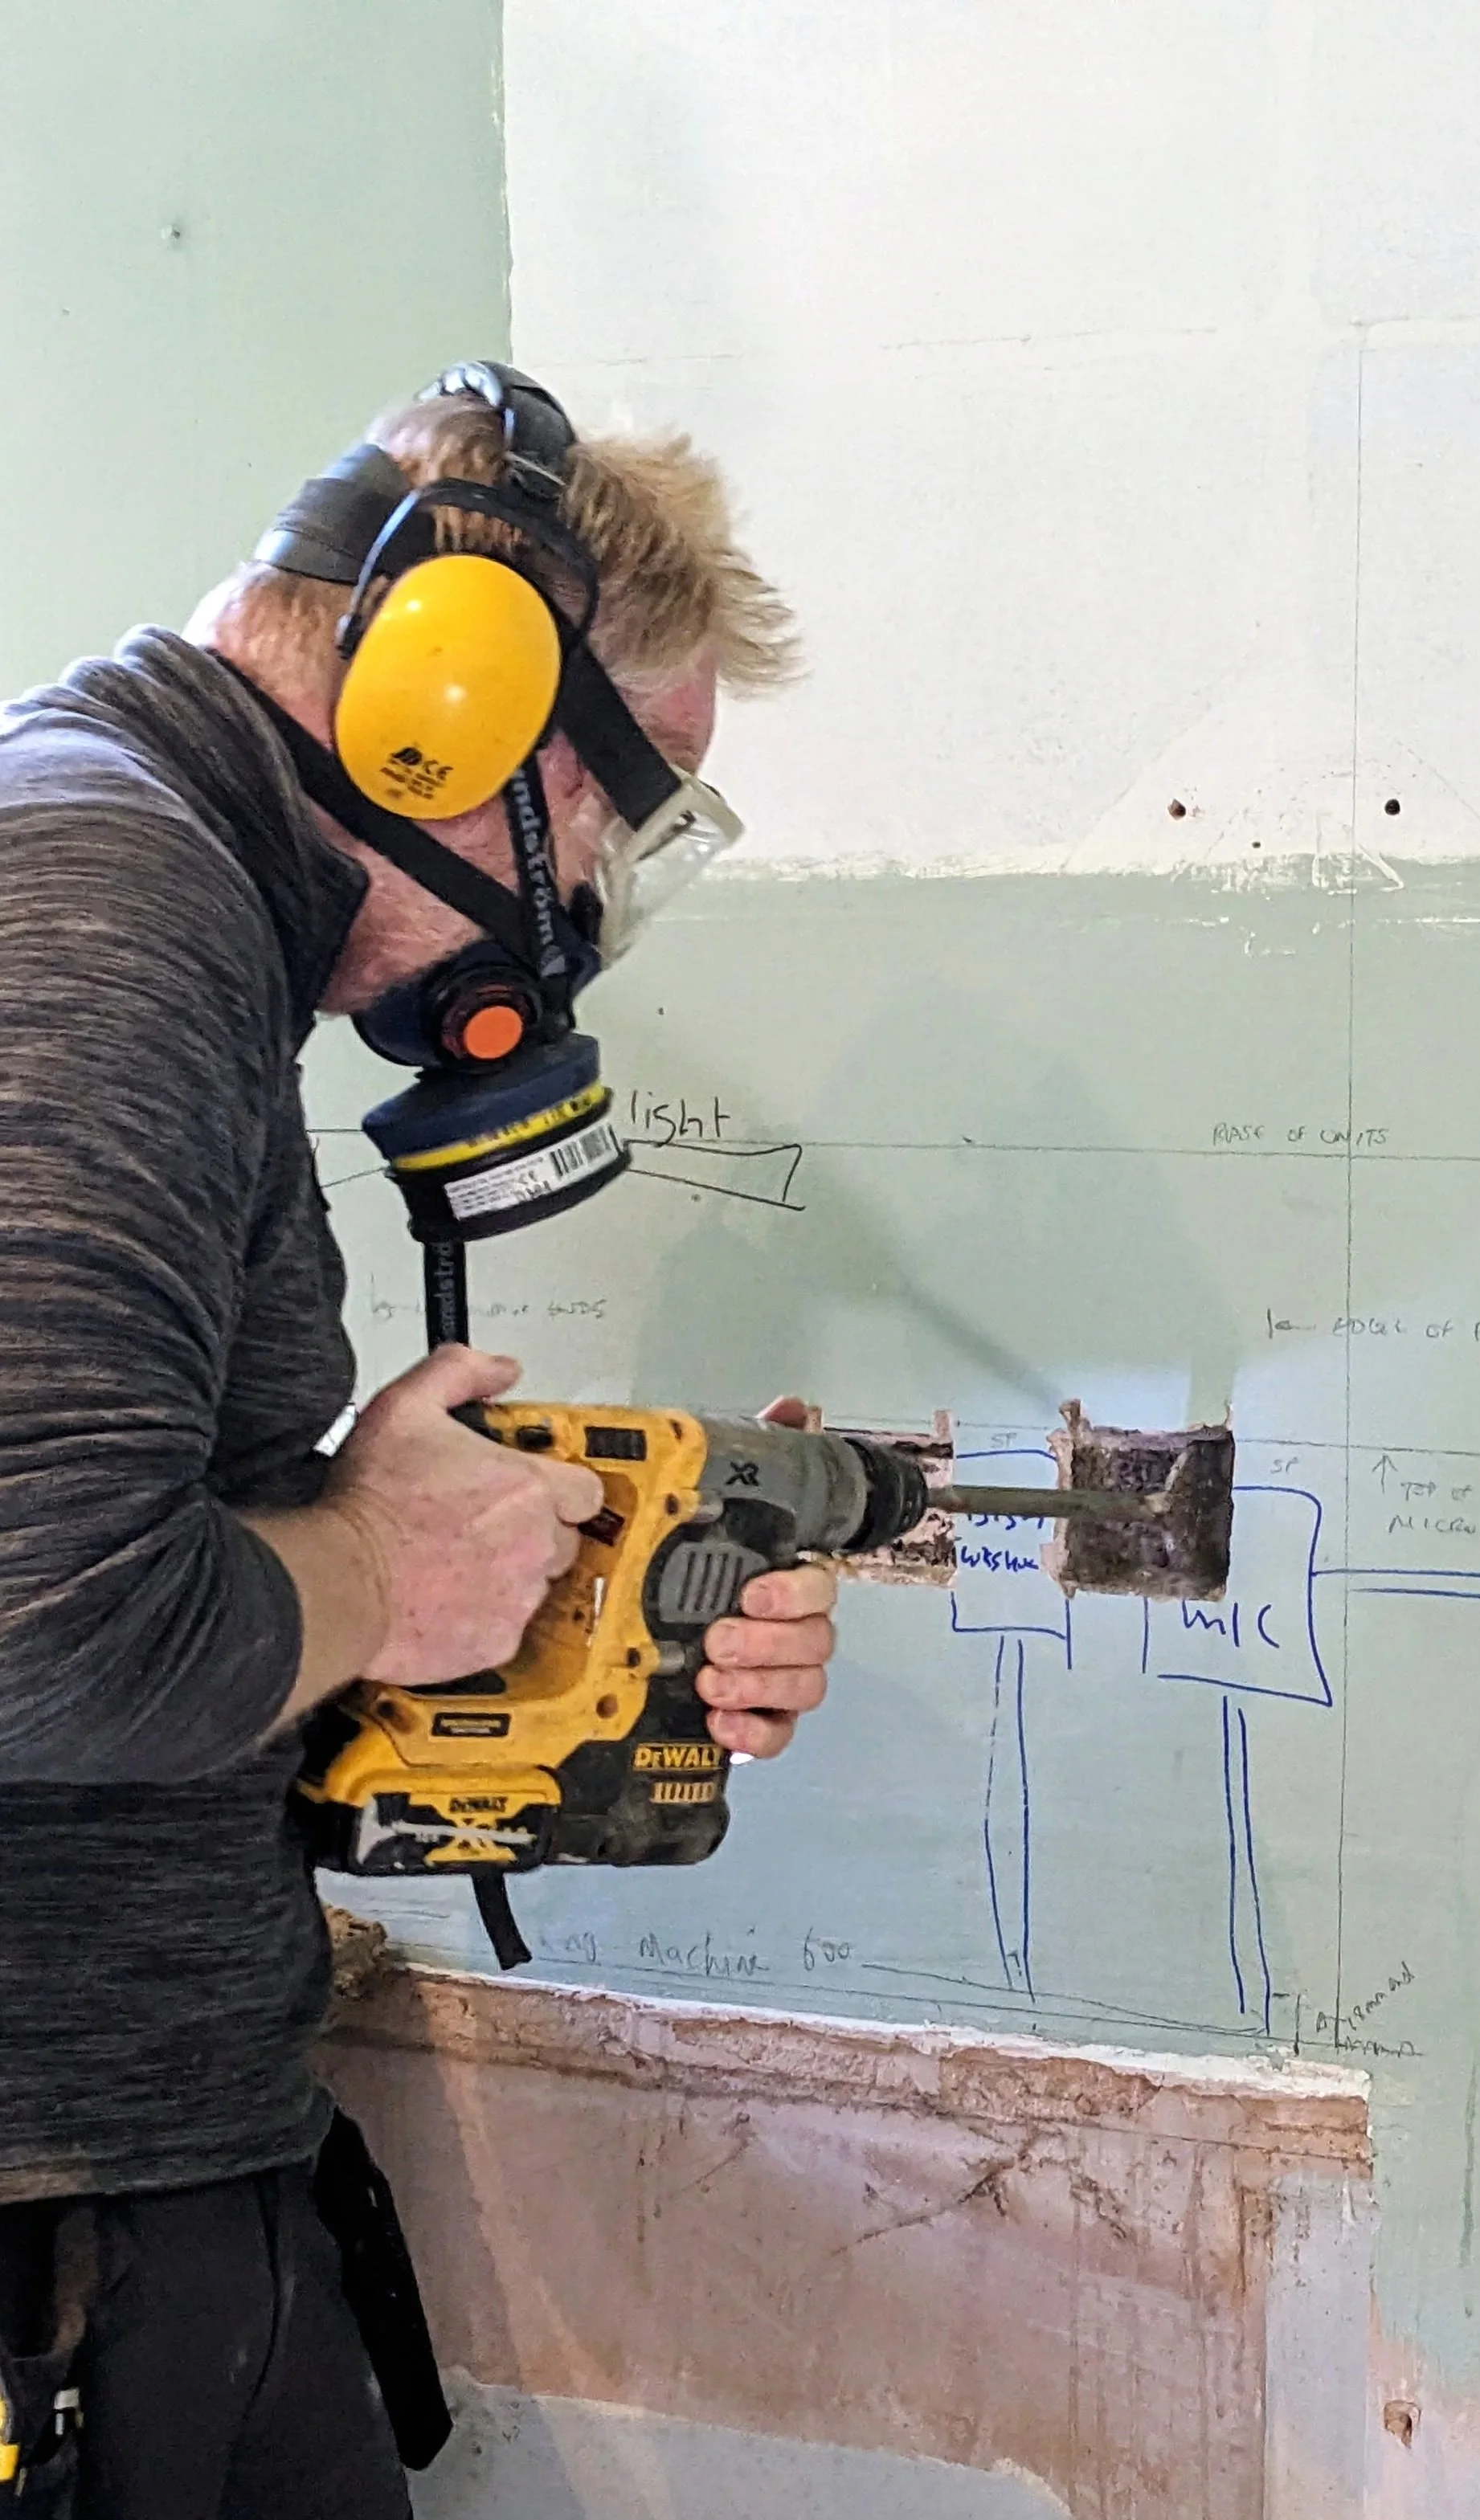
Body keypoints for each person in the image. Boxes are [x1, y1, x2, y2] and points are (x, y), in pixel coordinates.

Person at [0, 370, 836, 2516]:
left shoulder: (145, 886)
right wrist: (391, 1570)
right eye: (599, 837)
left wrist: (575, 1645)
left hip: (159, 2171)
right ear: (449, 725)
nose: (575, 934)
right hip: (52, 2237)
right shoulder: (99, 920)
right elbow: (41, 1622)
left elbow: (154, 1575)